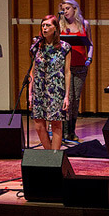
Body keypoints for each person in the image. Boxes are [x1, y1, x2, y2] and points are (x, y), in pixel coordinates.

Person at [29, 15, 71, 150]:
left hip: (56, 89)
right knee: (38, 124)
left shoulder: (64, 47)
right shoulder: (37, 47)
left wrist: (66, 96)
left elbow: (67, 72)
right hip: (39, 89)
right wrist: (30, 94)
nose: (45, 28)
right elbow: (32, 71)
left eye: (48, 25)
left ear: (56, 28)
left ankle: (55, 157)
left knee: (56, 123)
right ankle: (48, 156)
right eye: (43, 25)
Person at [58, 0, 93, 142]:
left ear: (74, 9)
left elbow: (90, 44)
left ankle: (72, 131)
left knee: (75, 99)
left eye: (67, 8)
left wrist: (89, 59)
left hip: (80, 66)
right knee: (66, 98)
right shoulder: (60, 24)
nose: (65, 11)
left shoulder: (84, 24)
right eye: (63, 9)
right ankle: (65, 132)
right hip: (64, 67)